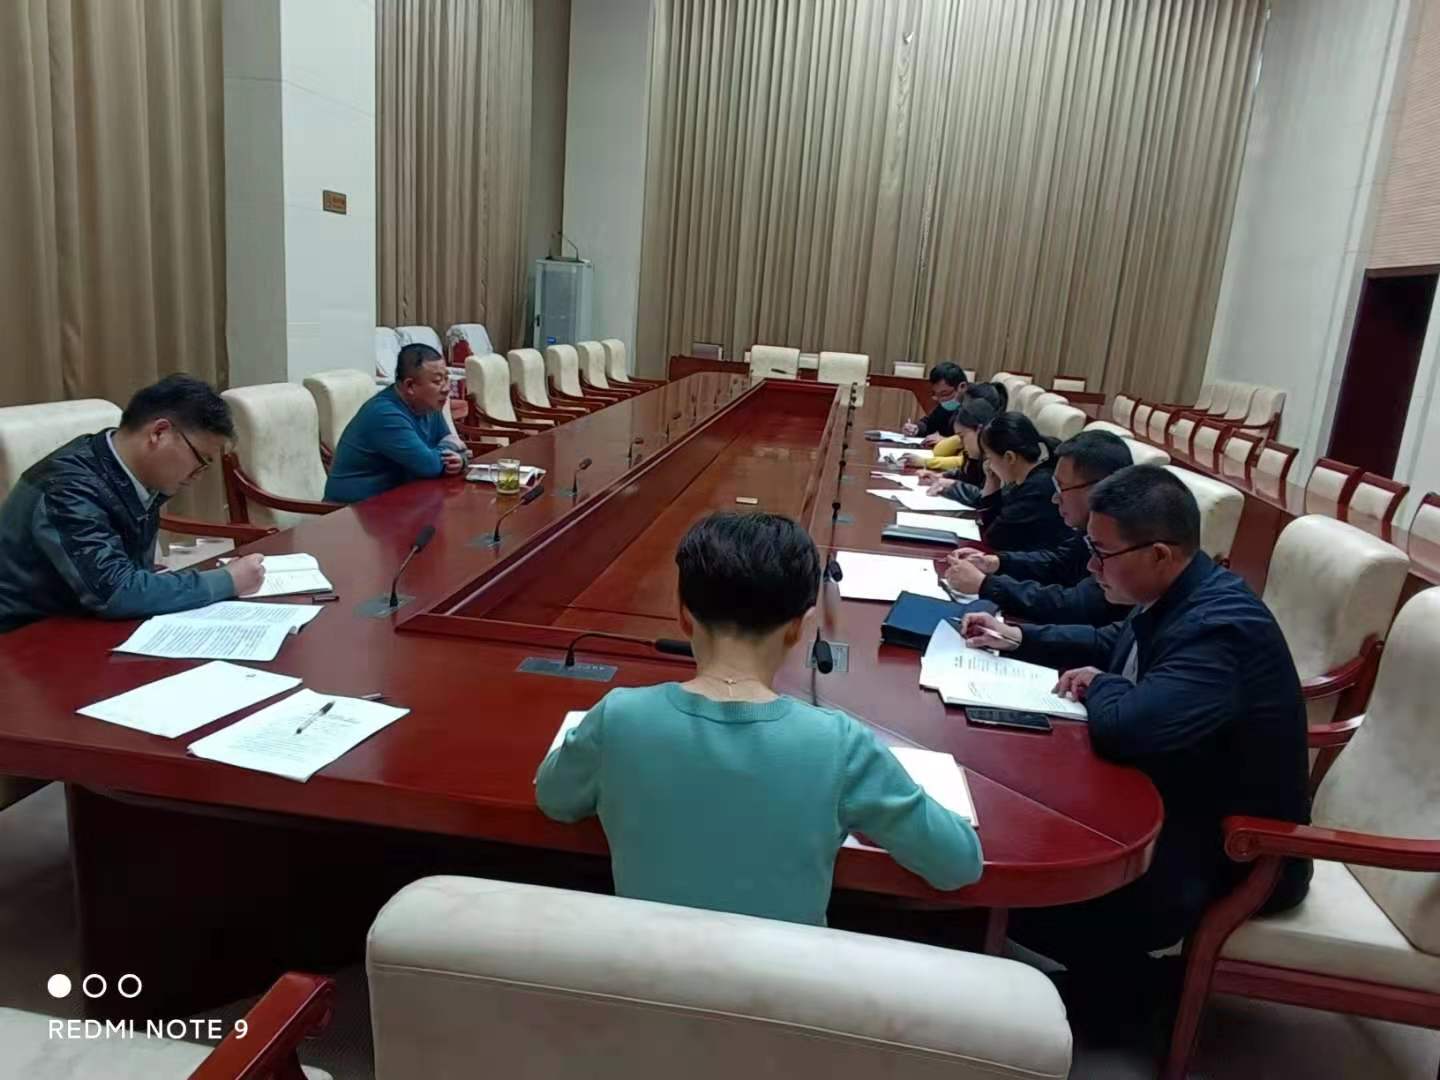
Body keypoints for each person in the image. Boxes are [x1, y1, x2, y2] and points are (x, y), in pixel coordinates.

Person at [958, 466, 1310, 1007]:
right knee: (1008, 842)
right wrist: (1020, 636)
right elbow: (1114, 642)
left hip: (1234, 854)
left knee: (1012, 890)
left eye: (1101, 553)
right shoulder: (1183, 593)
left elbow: (1125, 729)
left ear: (1159, 554)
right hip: (1176, 805)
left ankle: (1129, 1002)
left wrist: (1102, 685)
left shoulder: (1219, 627)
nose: (1090, 566)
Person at [535, 511, 983, 926]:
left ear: (683, 615)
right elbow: (958, 863)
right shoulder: (841, 745)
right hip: (783, 985)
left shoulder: (619, 717)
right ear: (800, 626)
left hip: (644, 976)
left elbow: (555, 799)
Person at [0, 375, 265, 633]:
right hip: (26, 639)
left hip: (87, 621)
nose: (198, 474)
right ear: (159, 432)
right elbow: (116, 592)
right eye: (201, 459)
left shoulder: (129, 468)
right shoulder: (67, 488)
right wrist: (227, 580)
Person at [943, 430, 1133, 625]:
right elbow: (1058, 562)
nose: (1055, 498)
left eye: (1061, 488)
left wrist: (986, 585)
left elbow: (1074, 605)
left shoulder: (1126, 541)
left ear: (1098, 489)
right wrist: (996, 562)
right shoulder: (1088, 528)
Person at [323, 343, 467, 503]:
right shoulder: (384, 414)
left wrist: (461, 461)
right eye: (438, 381)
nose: (446, 388)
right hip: (351, 510)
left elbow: (456, 450)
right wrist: (450, 446)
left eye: (446, 378)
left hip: (399, 502)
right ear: (410, 386)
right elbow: (430, 465)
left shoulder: (429, 406)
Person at [944, 412, 1069, 552]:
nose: (989, 465)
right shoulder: (1030, 478)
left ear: (1009, 457)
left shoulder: (1036, 489)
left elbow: (993, 537)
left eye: (989, 458)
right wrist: (992, 481)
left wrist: (992, 482)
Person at [900, 362, 967, 446]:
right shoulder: (946, 406)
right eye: (936, 395)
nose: (941, 400)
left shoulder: (976, 405)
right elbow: (930, 424)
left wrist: (947, 441)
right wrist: (916, 429)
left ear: (962, 387)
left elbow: (978, 440)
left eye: (945, 394)